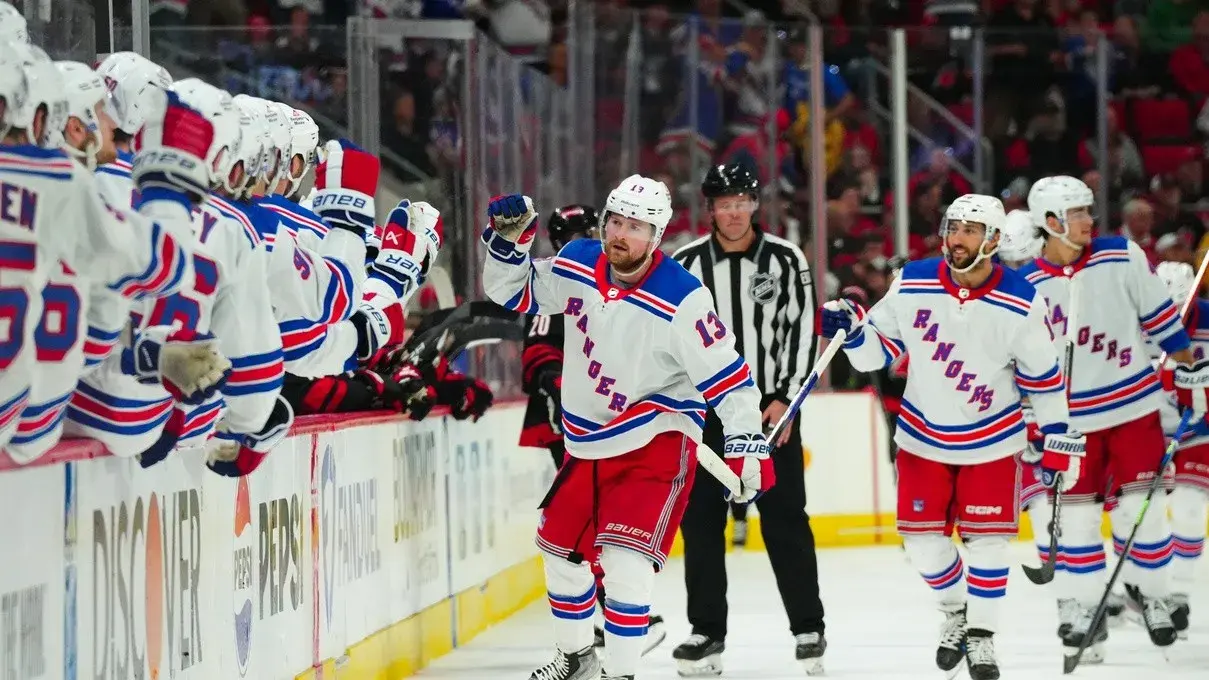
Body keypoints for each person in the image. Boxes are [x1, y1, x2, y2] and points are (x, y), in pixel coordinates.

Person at [481, 178, 772, 680]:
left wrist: (747, 443)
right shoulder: (577, 262)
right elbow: (514, 291)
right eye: (615, 222)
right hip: (588, 440)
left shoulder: (683, 298)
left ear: (656, 236)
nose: (620, 235)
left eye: (635, 227)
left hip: (655, 440)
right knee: (561, 554)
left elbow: (728, 376)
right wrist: (509, 244)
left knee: (626, 565)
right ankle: (576, 658)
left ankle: (621, 674)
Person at [819, 193, 1079, 680]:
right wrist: (853, 334)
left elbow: (1044, 379)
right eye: (951, 227)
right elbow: (877, 353)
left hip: (994, 440)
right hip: (921, 437)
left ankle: (981, 637)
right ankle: (956, 611)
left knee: (987, 544)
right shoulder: (914, 280)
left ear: (994, 240)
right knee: (921, 544)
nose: (955, 239)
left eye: (968, 230)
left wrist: (1059, 433)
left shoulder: (1022, 298)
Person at [1016, 176, 1200, 663]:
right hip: (1071, 424)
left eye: (1088, 211)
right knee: (1075, 521)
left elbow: (1160, 316)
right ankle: (1084, 610)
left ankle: (1154, 596)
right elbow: (1022, 361)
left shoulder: (1122, 255)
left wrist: (1187, 363)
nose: (1089, 221)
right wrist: (1033, 422)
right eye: (1078, 213)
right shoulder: (1028, 285)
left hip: (1134, 409)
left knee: (1144, 511)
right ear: (1051, 222)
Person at [670, 162, 826, 676]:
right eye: (723, 203)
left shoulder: (786, 259)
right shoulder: (686, 263)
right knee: (701, 523)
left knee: (784, 519)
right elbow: (672, 339)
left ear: (754, 204)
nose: (733, 212)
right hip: (705, 415)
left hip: (770, 414)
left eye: (741, 201)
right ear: (710, 208)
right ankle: (706, 631)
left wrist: (783, 398)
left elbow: (801, 332)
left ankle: (809, 625)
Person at [517, 203, 668, 657]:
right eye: (570, 234)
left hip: (614, 425)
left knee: (607, 526)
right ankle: (607, 619)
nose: (581, 242)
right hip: (572, 427)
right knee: (582, 528)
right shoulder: (558, 282)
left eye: (586, 231)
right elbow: (537, 357)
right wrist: (563, 390)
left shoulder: (619, 283)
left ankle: (616, 617)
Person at [1152, 260, 1207, 640]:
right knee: (1136, 514)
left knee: (1188, 505)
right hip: (1146, 429)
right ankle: (1140, 590)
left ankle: (1179, 593)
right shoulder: (1132, 322)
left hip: (1199, 430)